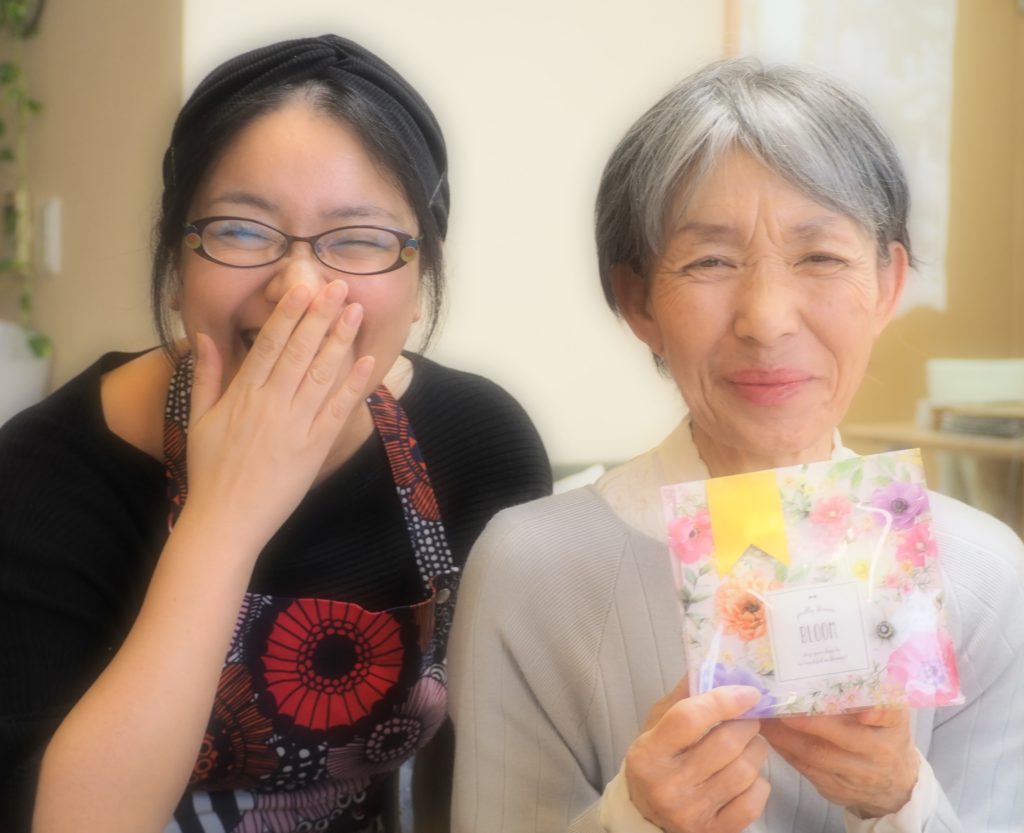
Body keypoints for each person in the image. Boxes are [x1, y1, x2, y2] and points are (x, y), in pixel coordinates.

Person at [448, 58, 1024, 832]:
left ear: (887, 285)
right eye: (710, 261)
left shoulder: (985, 577)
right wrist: (634, 818)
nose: (767, 318)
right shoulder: (531, 567)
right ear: (638, 299)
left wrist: (901, 800)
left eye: (820, 256)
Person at [0, 34, 551, 833]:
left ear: (422, 276)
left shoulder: (478, 443)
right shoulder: (45, 474)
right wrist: (225, 519)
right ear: (176, 257)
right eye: (243, 230)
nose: (297, 288)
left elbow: (488, 774)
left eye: (358, 238)